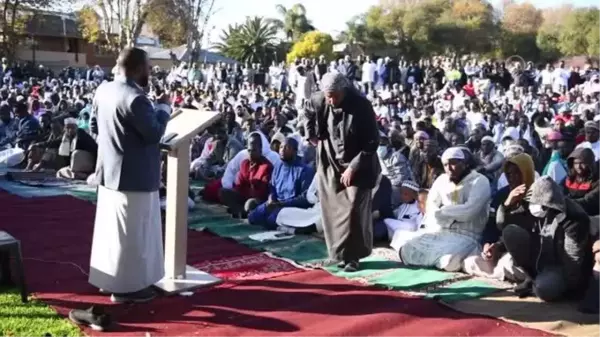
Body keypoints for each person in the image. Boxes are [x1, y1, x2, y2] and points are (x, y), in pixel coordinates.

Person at [86, 48, 171, 304]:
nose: (150, 72)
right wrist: (164, 107)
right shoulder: (136, 98)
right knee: (133, 237)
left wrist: (115, 149)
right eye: (147, 67)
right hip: (135, 180)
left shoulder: (103, 91)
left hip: (109, 175)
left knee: (111, 236)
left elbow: (93, 127)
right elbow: (154, 133)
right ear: (136, 68)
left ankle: (108, 281)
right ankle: (129, 290)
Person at [305, 71, 380, 272]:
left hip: (359, 161)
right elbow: (308, 111)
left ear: (344, 91)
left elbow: (372, 141)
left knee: (354, 208)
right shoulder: (320, 98)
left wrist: (353, 167)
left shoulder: (361, 105)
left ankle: (354, 256)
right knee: (332, 208)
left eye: (335, 96)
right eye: (328, 95)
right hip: (330, 157)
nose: (331, 100)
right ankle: (340, 254)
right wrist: (310, 134)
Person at [393, 147, 491, 272]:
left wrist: (443, 211)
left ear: (465, 163)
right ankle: (435, 261)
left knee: (449, 260)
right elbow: (431, 206)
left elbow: (469, 212)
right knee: (407, 248)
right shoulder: (441, 180)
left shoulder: (480, 181)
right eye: (445, 164)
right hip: (440, 232)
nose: (449, 168)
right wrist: (447, 214)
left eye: (453, 163)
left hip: (467, 235)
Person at [502, 176, 592, 301]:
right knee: (510, 233)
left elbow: (573, 260)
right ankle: (531, 279)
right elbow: (502, 225)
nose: (533, 206)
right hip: (538, 263)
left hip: (559, 268)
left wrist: (569, 286)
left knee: (544, 289)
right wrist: (508, 205)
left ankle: (540, 285)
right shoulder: (532, 207)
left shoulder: (572, 218)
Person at [247, 137, 314, 229]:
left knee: (270, 220)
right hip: (276, 203)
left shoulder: (304, 170)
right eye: (281, 147)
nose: (282, 150)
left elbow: (304, 198)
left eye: (287, 148)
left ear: (295, 151)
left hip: (292, 207)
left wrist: (283, 204)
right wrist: (271, 198)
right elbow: (272, 187)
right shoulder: (278, 166)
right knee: (252, 217)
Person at [219, 132, 273, 218]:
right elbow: (239, 185)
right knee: (223, 192)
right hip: (244, 196)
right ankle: (241, 211)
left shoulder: (266, 166)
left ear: (260, 149)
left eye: (254, 150)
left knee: (250, 204)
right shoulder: (245, 163)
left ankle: (242, 211)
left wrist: (248, 188)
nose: (251, 153)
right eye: (249, 150)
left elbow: (262, 193)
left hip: (257, 200)